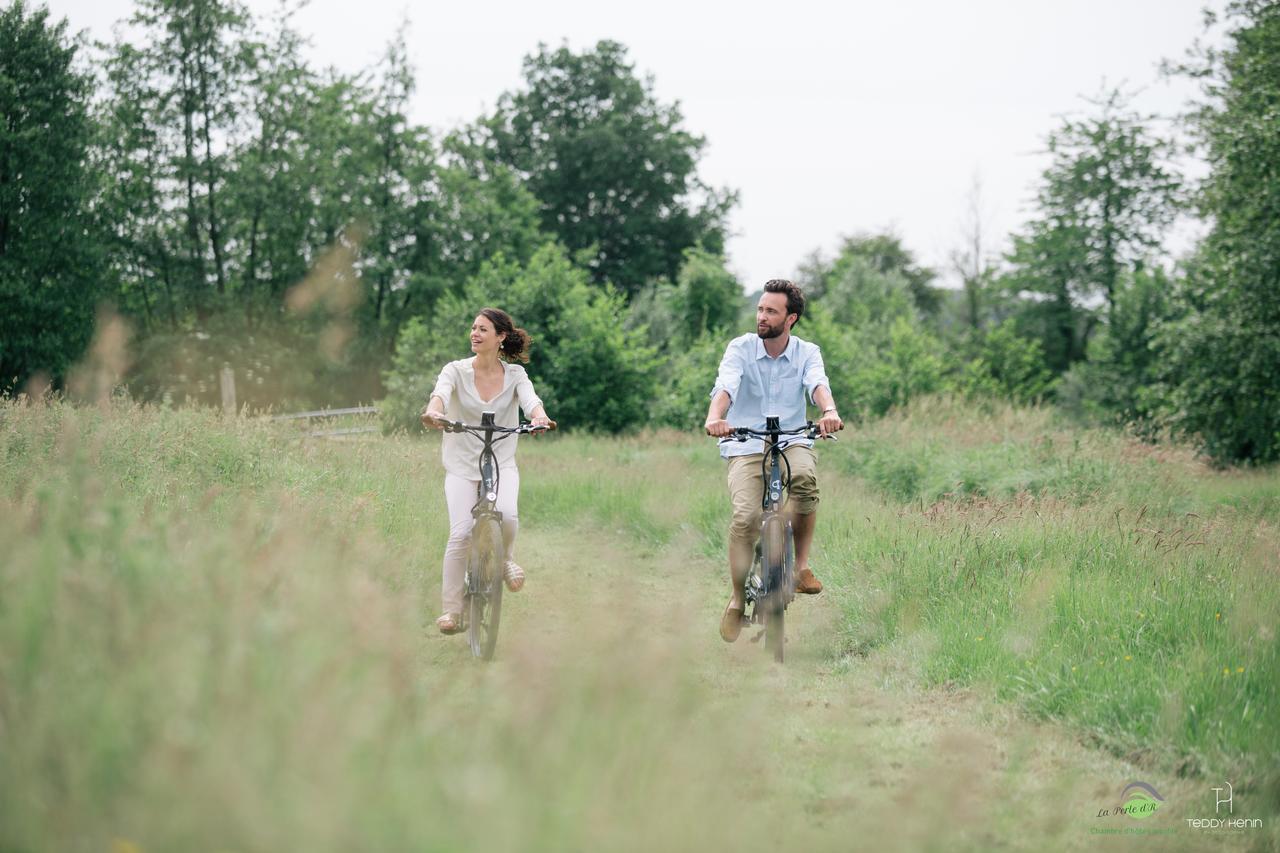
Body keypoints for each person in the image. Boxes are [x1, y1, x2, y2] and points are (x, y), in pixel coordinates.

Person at [704, 279, 843, 643]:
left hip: (793, 437)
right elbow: (726, 387)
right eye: (760, 309)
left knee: (806, 480)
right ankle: (737, 598)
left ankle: (800, 568)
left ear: (791, 318)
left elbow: (817, 384)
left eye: (771, 311)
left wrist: (828, 410)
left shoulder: (806, 352)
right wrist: (715, 417)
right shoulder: (741, 348)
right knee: (745, 518)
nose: (761, 316)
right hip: (746, 443)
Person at [420, 308, 554, 635]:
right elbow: (440, 395)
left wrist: (539, 418)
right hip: (462, 465)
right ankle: (452, 610)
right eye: (473, 328)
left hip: (501, 460)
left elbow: (531, 401)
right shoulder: (455, 370)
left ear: (500, 337)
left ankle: (506, 558)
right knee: (462, 533)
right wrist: (434, 413)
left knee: (507, 515)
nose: (474, 334)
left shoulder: (515, 376)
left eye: (482, 329)